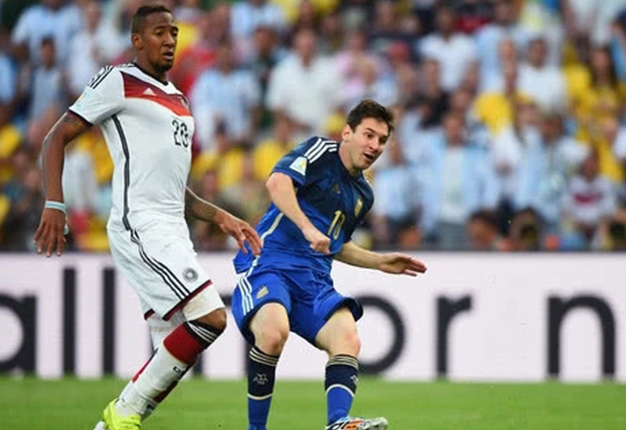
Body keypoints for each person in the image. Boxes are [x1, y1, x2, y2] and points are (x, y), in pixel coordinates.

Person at [33, 5, 262, 430]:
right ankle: (123, 412)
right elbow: (55, 136)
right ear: (137, 40)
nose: (170, 40)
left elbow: (176, 189)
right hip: (140, 224)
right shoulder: (118, 80)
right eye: (159, 32)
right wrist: (54, 202)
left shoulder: (180, 101)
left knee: (174, 352)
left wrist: (221, 217)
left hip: (173, 228)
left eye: (173, 32)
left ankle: (111, 426)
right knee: (211, 318)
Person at [232, 99, 427, 430]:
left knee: (348, 337)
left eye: (382, 140)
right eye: (368, 135)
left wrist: (380, 261)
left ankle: (338, 423)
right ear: (347, 133)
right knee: (273, 332)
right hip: (271, 262)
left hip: (314, 279)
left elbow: (335, 245)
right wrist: (307, 227)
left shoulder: (363, 194)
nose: (375, 146)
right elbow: (277, 183)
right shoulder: (320, 151)